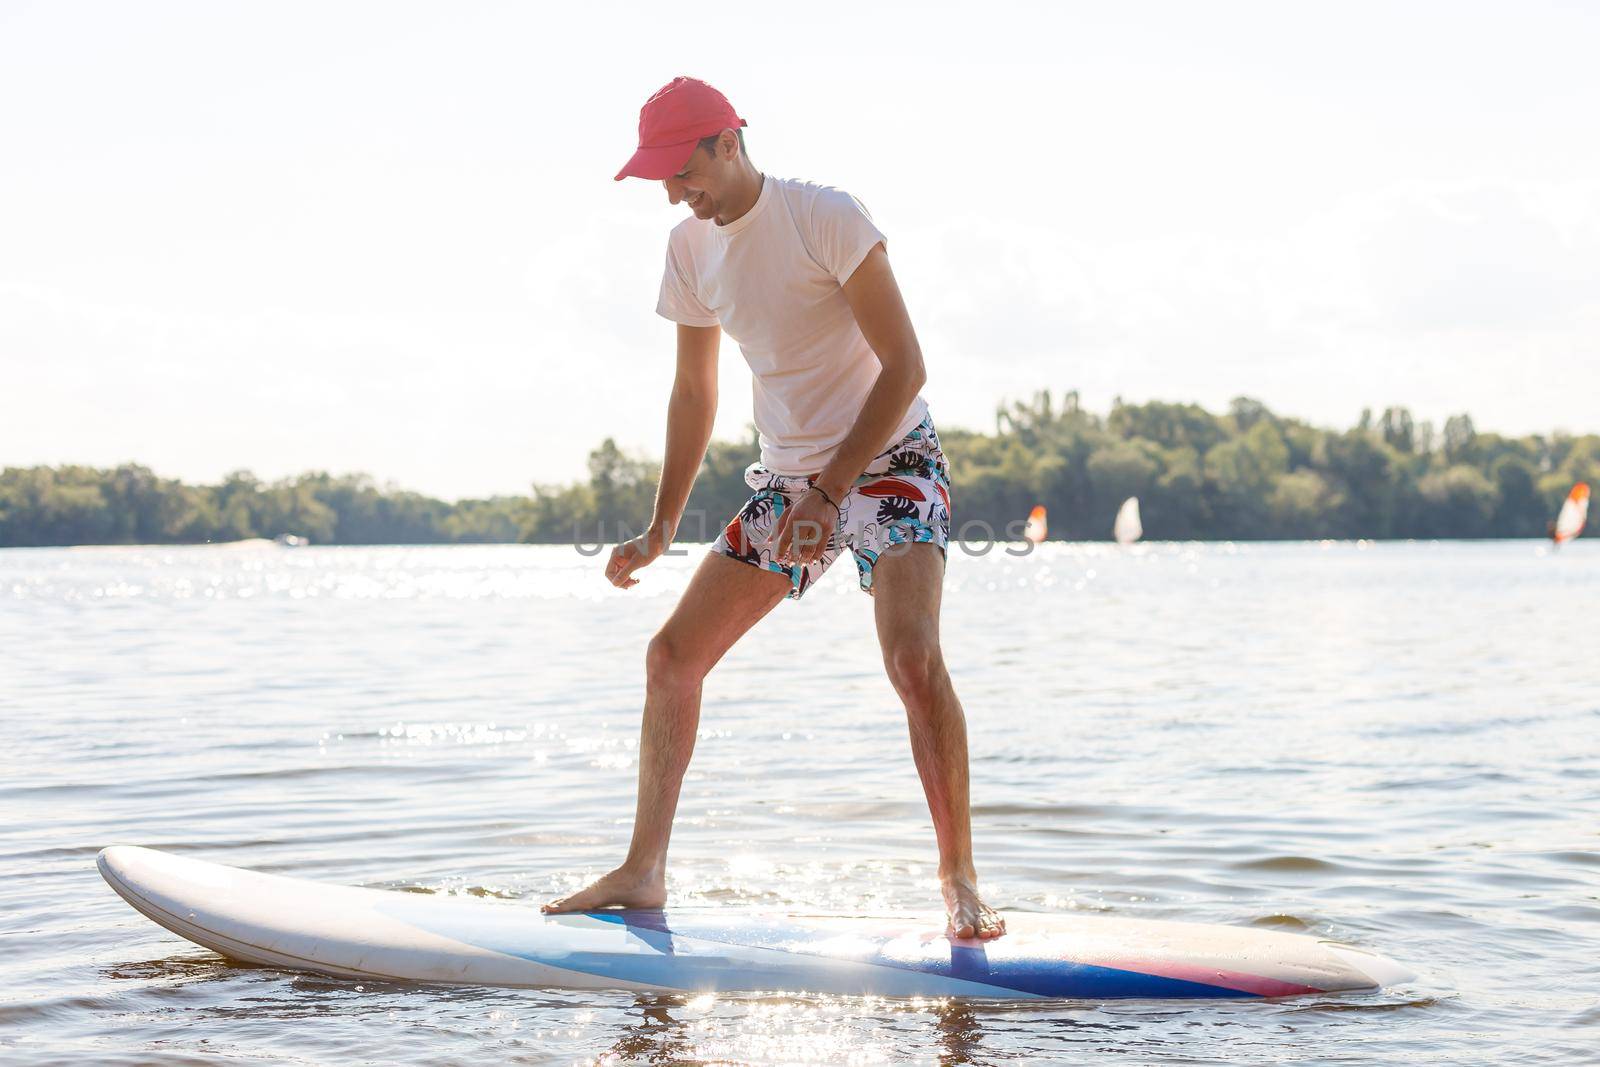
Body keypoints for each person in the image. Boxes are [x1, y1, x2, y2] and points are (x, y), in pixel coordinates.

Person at [542, 77, 1003, 940]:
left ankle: (960, 878)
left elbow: (906, 367)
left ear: (727, 141)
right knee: (671, 656)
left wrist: (834, 494)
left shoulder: (824, 217)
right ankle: (643, 871)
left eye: (682, 172)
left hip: (892, 457)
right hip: (791, 482)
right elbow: (693, 390)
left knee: (911, 657)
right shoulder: (689, 249)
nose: (675, 194)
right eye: (663, 182)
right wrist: (662, 526)